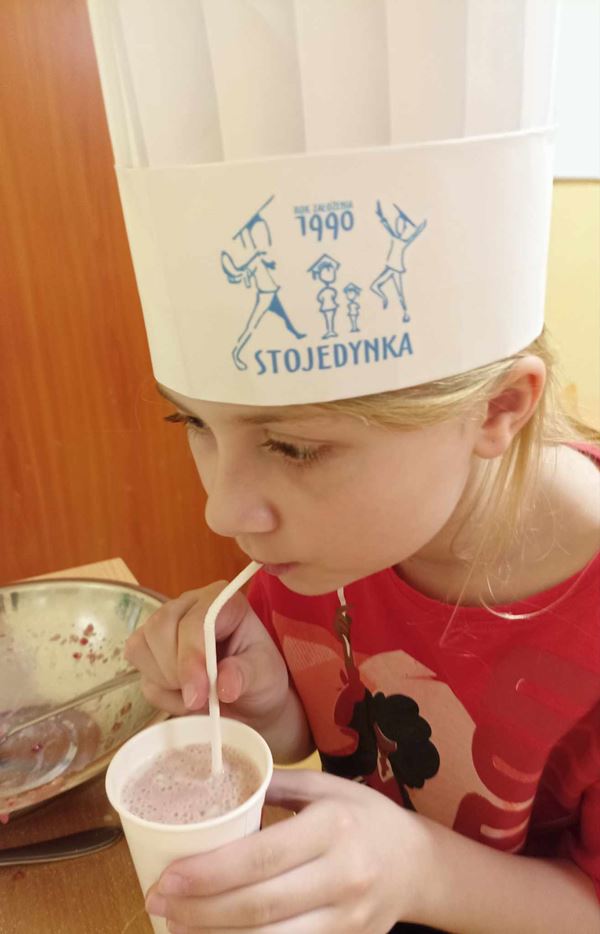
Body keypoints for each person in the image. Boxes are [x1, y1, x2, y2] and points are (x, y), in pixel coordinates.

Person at [126, 328, 600, 933]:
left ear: (495, 407)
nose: (220, 511)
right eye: (193, 421)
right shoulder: (337, 541)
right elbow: (339, 735)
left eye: (294, 448)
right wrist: (269, 705)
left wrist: (420, 873)